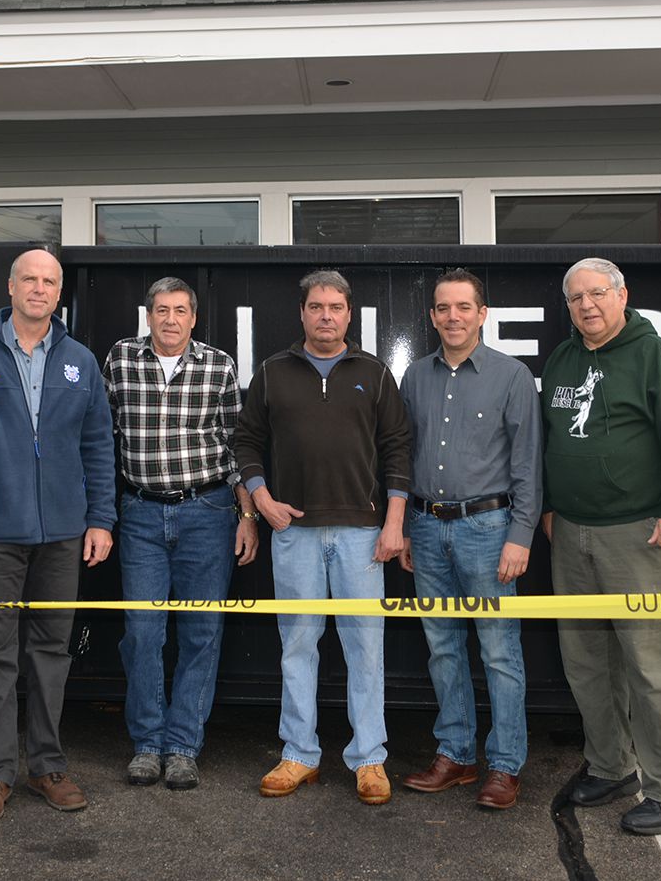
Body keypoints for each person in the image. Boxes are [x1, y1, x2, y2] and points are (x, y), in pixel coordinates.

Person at [0, 247, 117, 825]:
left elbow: (98, 447)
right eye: (29, 280)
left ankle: (48, 766)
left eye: (49, 281)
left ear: (60, 293)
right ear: (10, 287)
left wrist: (100, 519)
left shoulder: (81, 362)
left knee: (51, 655)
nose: (39, 289)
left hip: (63, 534)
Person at [540, 257, 661, 837]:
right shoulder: (562, 359)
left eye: (597, 293)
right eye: (576, 297)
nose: (587, 305)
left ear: (622, 296)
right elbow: (552, 439)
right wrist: (552, 507)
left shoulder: (652, 355)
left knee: (653, 667)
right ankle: (611, 765)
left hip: (640, 534)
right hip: (572, 534)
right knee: (587, 666)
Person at [233, 269, 411, 806]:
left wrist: (396, 522)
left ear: (349, 314)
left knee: (366, 650)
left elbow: (398, 449)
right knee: (297, 647)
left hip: (363, 535)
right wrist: (260, 499)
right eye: (316, 307)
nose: (326, 315)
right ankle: (299, 754)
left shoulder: (375, 373)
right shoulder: (272, 371)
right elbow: (246, 441)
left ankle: (369, 759)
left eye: (335, 307)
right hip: (295, 534)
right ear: (303, 313)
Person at [103, 276, 259, 791]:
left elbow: (235, 444)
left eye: (180, 311)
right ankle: (147, 744)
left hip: (207, 513)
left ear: (194, 318)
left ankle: (182, 747)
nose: (170, 319)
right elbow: (101, 439)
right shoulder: (120, 360)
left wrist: (247, 515)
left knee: (200, 635)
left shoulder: (218, 366)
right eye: (161, 310)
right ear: (148, 316)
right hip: (142, 515)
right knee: (143, 634)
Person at [398, 268, 540, 810]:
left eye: (463, 307)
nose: (452, 316)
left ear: (483, 314)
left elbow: (527, 465)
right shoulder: (415, 376)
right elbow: (406, 459)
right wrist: (411, 527)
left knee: (499, 650)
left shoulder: (511, 377)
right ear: (432, 316)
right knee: (442, 648)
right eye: (442, 308)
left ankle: (505, 765)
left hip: (490, 530)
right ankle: (455, 754)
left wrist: (520, 535)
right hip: (429, 528)